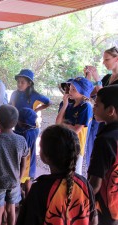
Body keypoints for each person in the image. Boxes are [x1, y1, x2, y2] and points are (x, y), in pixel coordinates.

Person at [17, 124, 97, 225]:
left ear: (45, 157)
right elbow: (93, 219)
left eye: (40, 147)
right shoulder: (84, 184)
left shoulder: (39, 188)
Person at [9, 69, 51, 190]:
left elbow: (49, 102)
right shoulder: (15, 94)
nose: (19, 84)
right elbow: (11, 105)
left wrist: (37, 110)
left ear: (29, 83)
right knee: (18, 153)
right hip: (18, 125)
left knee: (28, 155)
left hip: (31, 129)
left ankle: (27, 180)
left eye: (22, 82)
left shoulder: (35, 95)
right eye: (18, 82)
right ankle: (19, 180)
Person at [87, 85, 118, 225]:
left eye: (97, 105)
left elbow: (95, 184)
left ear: (110, 110)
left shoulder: (105, 140)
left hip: (104, 206)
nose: (93, 108)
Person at [84, 46, 118, 167]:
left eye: (107, 59)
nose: (103, 63)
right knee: (93, 148)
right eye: (103, 60)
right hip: (99, 118)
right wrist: (87, 78)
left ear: (116, 59)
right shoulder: (107, 78)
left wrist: (97, 80)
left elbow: (105, 95)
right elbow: (90, 93)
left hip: (111, 121)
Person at [56, 77, 93, 175]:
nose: (69, 91)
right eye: (70, 88)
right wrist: (64, 105)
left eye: (73, 89)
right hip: (64, 141)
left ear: (82, 92)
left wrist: (63, 124)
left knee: (75, 173)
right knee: (62, 171)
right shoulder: (67, 103)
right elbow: (57, 123)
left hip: (76, 145)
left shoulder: (86, 106)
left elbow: (76, 130)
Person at [14, 107, 39, 196]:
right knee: (29, 179)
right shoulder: (35, 129)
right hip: (31, 160)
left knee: (22, 178)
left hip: (26, 160)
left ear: (23, 122)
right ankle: (27, 200)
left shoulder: (25, 134)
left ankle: (25, 200)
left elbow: (18, 138)